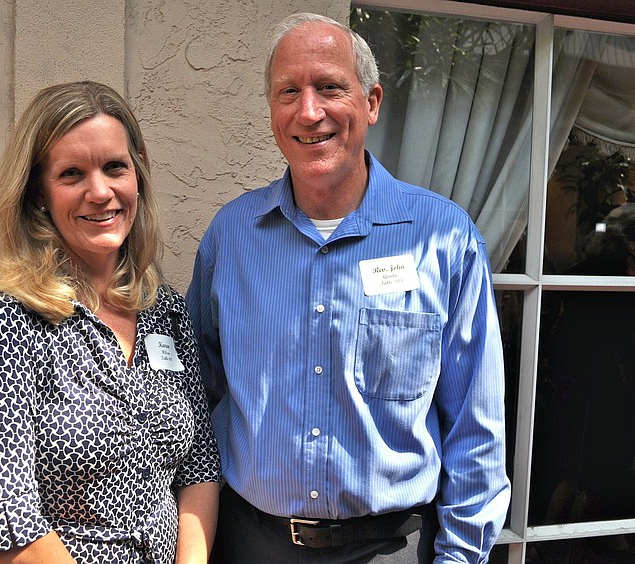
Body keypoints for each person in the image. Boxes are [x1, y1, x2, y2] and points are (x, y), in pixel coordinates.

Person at [186, 13, 510, 564]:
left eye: (329, 87)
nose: (309, 111)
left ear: (372, 102)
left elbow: (476, 431)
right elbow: (197, 400)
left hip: (392, 548)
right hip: (254, 544)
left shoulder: (444, 239)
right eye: (289, 91)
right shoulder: (231, 238)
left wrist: (461, 555)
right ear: (272, 111)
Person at [0, 81, 220, 564]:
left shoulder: (167, 312)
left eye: (115, 167)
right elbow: (5, 518)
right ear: (39, 195)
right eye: (72, 174)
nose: (100, 191)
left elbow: (199, 464)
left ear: (138, 177)